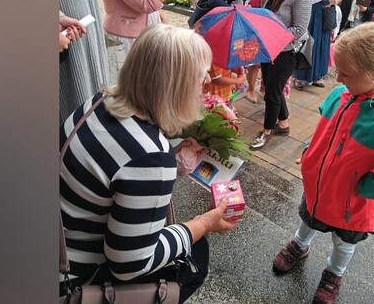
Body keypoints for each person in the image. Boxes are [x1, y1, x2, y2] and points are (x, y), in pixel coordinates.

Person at [59, 24, 239, 303]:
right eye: (200, 79)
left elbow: (118, 164)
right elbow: (129, 265)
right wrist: (203, 223)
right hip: (73, 278)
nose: (204, 86)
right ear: (177, 87)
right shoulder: (151, 158)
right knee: (195, 254)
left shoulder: (99, 102)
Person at [271, 23, 374, 304]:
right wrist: (313, 151)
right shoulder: (340, 95)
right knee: (308, 216)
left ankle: (334, 273)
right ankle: (300, 245)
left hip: (353, 201)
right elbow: (325, 130)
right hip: (319, 184)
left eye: (346, 74)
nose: (338, 79)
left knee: (344, 242)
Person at [251, 0, 312, 150]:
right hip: (268, 46)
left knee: (272, 92)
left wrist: (273, 37)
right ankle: (283, 123)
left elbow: (299, 29)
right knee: (271, 86)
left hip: (288, 50)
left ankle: (267, 130)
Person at [294, 0, 343, 90]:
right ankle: (300, 76)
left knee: (322, 44)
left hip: (326, 11)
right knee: (310, 44)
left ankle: (316, 75)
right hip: (313, 12)